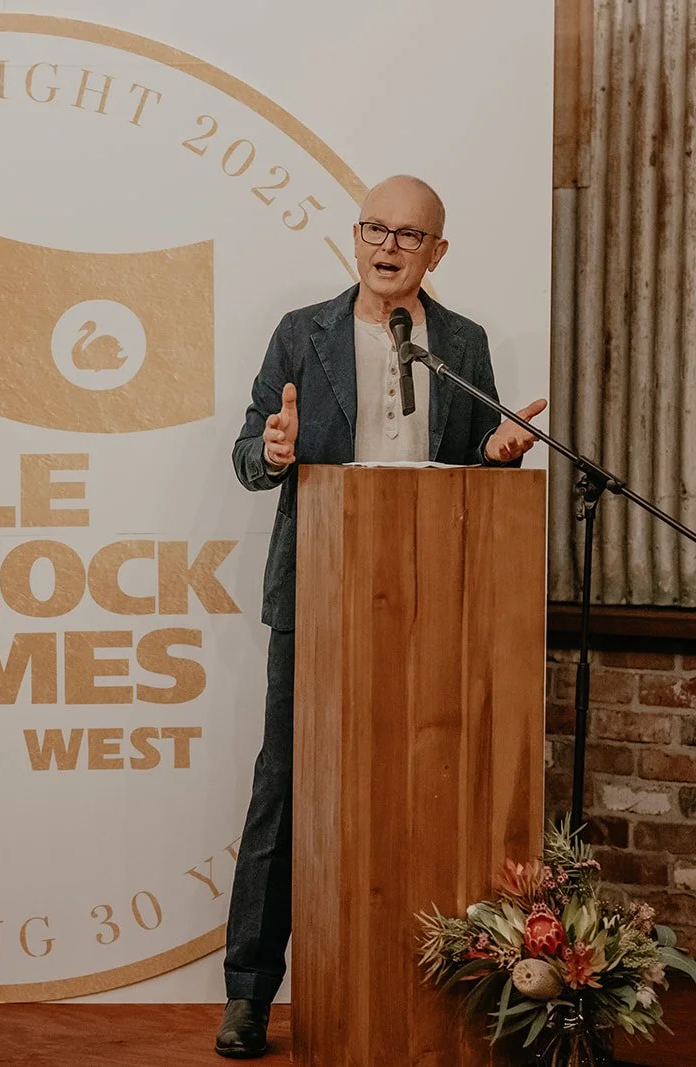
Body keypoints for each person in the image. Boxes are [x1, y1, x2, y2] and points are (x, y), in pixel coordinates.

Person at [214, 175, 546, 1059]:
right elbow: (249, 450)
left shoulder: (461, 342)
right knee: (284, 789)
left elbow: (468, 464)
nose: (387, 246)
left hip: (437, 600)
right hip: (319, 595)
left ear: (438, 251)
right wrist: (272, 452)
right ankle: (249, 993)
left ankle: (436, 978)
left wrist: (497, 454)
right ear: (353, 238)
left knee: (435, 780)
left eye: (408, 234)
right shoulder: (303, 333)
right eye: (373, 229)